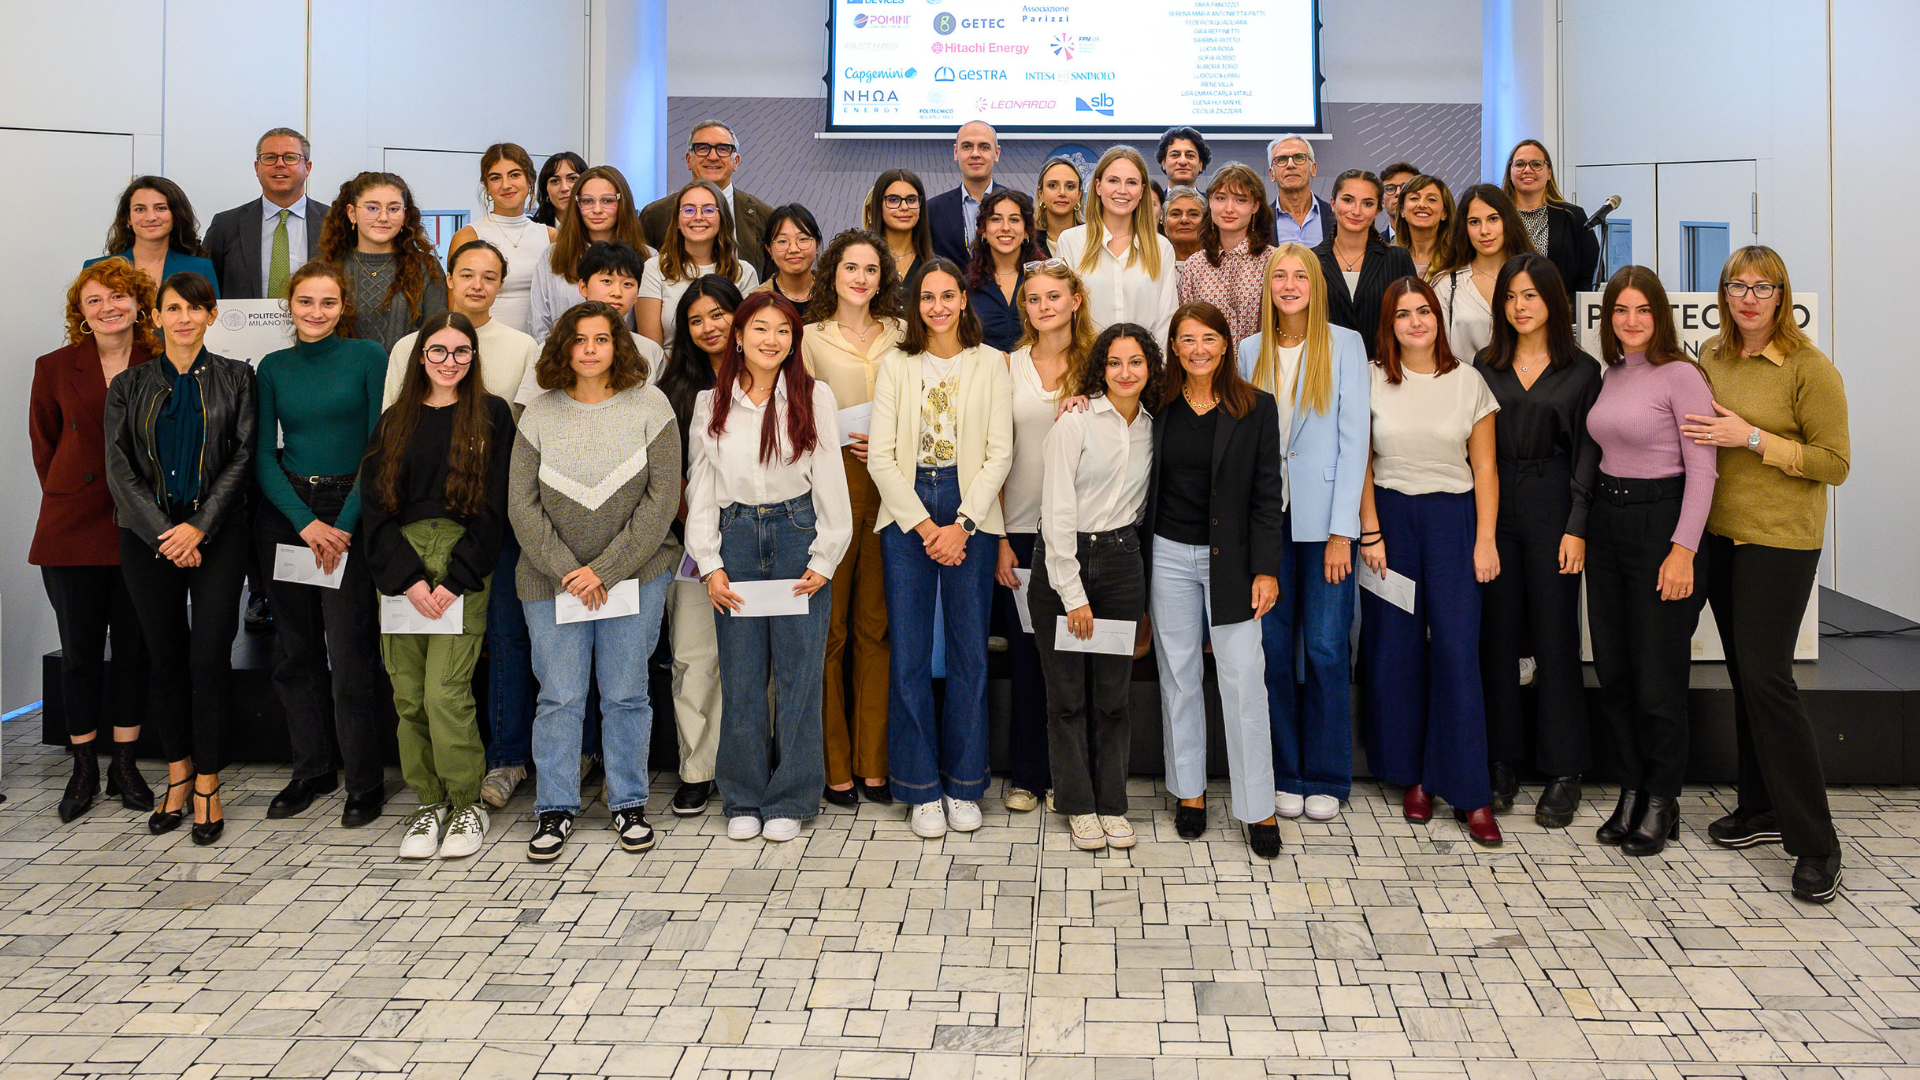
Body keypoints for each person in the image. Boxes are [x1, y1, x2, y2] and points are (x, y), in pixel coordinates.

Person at [1684, 246, 1849, 902]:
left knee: (1769, 679)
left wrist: (1751, 439)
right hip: (1720, 536)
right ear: (1723, 294)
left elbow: (1834, 462)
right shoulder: (1712, 357)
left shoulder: (1809, 369)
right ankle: (1760, 808)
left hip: (1779, 541)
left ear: (1782, 295)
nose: (1748, 298)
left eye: (1763, 286)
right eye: (1737, 286)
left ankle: (1817, 843)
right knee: (1746, 677)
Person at [511, 301, 681, 861]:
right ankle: (554, 808)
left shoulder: (651, 406)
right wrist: (569, 571)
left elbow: (662, 502)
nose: (589, 349)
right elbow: (522, 506)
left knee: (627, 694)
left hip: (636, 576)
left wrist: (604, 571)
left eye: (601, 339)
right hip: (550, 581)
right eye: (578, 339)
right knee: (560, 697)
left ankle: (628, 801)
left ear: (619, 346)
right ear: (562, 348)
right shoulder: (538, 413)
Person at [688, 292, 852, 842]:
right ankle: (742, 796)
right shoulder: (710, 402)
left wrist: (826, 557)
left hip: (795, 534)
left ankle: (792, 796)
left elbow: (831, 479)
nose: (771, 339)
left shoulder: (814, 396)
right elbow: (703, 490)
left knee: (800, 674)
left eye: (784, 330)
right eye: (760, 328)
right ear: (738, 335)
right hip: (735, 539)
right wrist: (709, 564)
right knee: (740, 675)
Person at [103, 271, 255, 844]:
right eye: (173, 308)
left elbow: (242, 459)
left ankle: (209, 783)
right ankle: (177, 775)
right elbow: (118, 467)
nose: (185, 318)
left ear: (212, 315)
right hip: (148, 541)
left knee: (209, 658)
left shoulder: (240, 378)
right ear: (156, 317)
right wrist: (167, 532)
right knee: (163, 659)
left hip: (217, 538)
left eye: (196, 308)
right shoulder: (129, 384)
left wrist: (198, 527)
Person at [867, 258, 1013, 837]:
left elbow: (999, 453)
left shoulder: (990, 364)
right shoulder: (896, 365)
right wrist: (928, 529)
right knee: (907, 653)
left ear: (963, 300)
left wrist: (964, 524)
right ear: (914, 305)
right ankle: (920, 786)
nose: (937, 307)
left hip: (969, 503)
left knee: (968, 651)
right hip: (907, 508)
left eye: (947, 296)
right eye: (926, 297)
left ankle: (964, 783)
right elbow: (880, 456)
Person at [360, 312, 513, 859]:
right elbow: (375, 509)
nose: (450, 362)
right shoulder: (393, 420)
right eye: (438, 351)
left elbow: (496, 508)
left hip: (460, 562)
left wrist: (455, 581)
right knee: (407, 695)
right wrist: (406, 581)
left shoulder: (492, 416)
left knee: (444, 692)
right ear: (420, 356)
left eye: (461, 352)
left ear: (473, 358)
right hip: (401, 566)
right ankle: (429, 803)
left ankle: (466, 802)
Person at [1357, 276, 1502, 846]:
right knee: (1394, 653)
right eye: (1403, 314)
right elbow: (1361, 463)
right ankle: (1413, 776)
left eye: (1424, 312)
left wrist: (1484, 539)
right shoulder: (1370, 379)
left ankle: (1470, 791)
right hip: (1390, 522)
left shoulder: (1468, 381)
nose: (1415, 322)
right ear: (1388, 324)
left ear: (1438, 320)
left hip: (1453, 522)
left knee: (1458, 652)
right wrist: (1370, 531)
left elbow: (1486, 469)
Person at [1582, 266, 1716, 858]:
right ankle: (1632, 789)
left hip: (1662, 528)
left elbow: (1704, 471)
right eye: (1619, 311)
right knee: (1615, 671)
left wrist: (1683, 549)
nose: (1630, 322)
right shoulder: (1612, 374)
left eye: (1641, 310)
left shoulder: (1682, 376)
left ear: (1660, 316)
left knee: (1658, 678)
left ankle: (1663, 799)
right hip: (1608, 526)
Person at [255, 260, 393, 828]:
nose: (315, 313)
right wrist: (305, 523)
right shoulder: (272, 367)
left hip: (349, 511)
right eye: (305, 302)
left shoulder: (367, 358)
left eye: (327, 303)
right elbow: (263, 455)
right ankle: (311, 768)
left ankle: (363, 780)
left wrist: (342, 522)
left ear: (343, 308)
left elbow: (378, 445)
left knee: (350, 652)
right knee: (295, 650)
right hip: (289, 514)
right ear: (290, 305)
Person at [1146, 301, 1285, 855]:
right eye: (1187, 340)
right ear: (1174, 348)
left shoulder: (1256, 408)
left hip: (1233, 562)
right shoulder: (1156, 405)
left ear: (1227, 344)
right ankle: (1189, 792)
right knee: (1178, 677)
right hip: (1166, 556)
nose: (1198, 349)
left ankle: (1259, 808)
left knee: (1244, 680)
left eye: (1209, 338)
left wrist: (1266, 569)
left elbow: (1266, 497)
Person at [1238, 244, 1369, 823]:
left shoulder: (1345, 345)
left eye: (1300, 276)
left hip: (1326, 527)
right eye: (1279, 276)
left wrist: (1344, 531)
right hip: (1267, 524)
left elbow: (1355, 441)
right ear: (1266, 287)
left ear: (1316, 284)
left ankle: (1327, 775)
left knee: (1323, 646)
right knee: (1270, 648)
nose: (1289, 285)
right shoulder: (1247, 351)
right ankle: (1284, 772)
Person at [1476, 255, 1601, 827]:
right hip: (1498, 502)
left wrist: (1577, 525)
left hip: (1555, 502)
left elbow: (1588, 456)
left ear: (1554, 300)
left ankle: (1564, 770)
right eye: (1510, 297)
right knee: (1498, 639)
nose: (1520, 306)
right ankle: (1501, 762)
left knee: (1554, 640)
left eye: (1530, 295)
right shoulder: (1485, 364)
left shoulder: (1582, 370)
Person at [1028, 323, 1159, 850]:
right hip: (1065, 559)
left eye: (1136, 362)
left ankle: (1112, 805)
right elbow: (1055, 510)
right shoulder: (1075, 422)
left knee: (1113, 696)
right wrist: (1073, 592)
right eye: (1114, 363)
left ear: (1150, 368)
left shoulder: (1155, 426)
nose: (1125, 373)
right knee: (1065, 696)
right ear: (1099, 369)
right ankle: (1078, 804)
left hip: (1124, 563)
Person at [35, 260, 156, 822]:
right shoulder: (54, 367)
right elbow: (46, 446)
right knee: (79, 654)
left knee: (132, 652)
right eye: (94, 301)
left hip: (140, 528)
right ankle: (83, 764)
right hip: (71, 529)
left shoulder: (160, 362)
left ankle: (125, 763)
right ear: (80, 314)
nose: (108, 307)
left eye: (118, 297)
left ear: (138, 303)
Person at [801, 230, 906, 806]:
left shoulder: (904, 334)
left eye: (871, 269)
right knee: (831, 630)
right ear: (831, 274)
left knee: (876, 627)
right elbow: (797, 409)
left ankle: (873, 761)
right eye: (850, 268)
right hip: (832, 486)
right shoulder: (809, 338)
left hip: (891, 489)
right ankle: (834, 764)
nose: (861, 278)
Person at [996, 260, 1098, 812]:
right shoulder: (1006, 367)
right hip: (1018, 528)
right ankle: (1029, 775)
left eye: (1054, 296)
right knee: (1030, 655)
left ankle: (1072, 775)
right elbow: (990, 455)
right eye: (1033, 299)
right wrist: (1000, 539)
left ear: (1076, 300)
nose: (1044, 307)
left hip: (1086, 534)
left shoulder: (1101, 364)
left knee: (1074, 657)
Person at [655, 275, 745, 815]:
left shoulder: (773, 380)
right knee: (693, 658)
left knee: (761, 663)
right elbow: (669, 479)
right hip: (692, 545)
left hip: (766, 542)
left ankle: (753, 761)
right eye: (696, 319)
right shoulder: (671, 393)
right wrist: (702, 532)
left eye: (718, 314)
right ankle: (697, 769)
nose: (709, 326)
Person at [384, 240, 540, 411]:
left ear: (500, 285)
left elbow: (529, 425)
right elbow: (392, 422)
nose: (477, 286)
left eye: (489, 278)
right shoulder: (410, 346)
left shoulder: (524, 347)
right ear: (450, 280)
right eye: (467, 275)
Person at [518, 241, 667, 405]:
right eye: (607, 281)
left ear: (637, 292)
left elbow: (659, 411)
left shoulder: (651, 351)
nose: (617, 293)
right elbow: (528, 411)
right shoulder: (552, 347)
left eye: (627, 284)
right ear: (583, 287)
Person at [1055, 147, 1179, 336]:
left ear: (1141, 191)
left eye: (1131, 182)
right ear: (1098, 186)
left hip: (1146, 363)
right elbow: (1064, 315)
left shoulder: (1161, 248)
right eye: (1113, 181)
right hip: (1086, 363)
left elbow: (1166, 319)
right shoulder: (1071, 242)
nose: (1122, 190)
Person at [316, 172, 447, 351]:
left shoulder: (426, 267)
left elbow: (438, 337)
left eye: (393, 209)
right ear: (352, 213)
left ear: (405, 215)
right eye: (372, 208)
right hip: (343, 376)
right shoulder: (331, 268)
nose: (383, 217)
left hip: (409, 376)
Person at [205, 127, 330, 299]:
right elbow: (205, 288)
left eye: (290, 157)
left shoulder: (333, 222)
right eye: (270, 158)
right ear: (257, 168)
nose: (280, 164)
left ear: (307, 168)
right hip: (245, 326)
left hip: (318, 323)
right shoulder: (226, 226)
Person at [530, 165, 650, 340]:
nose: (597, 210)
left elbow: (647, 331)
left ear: (622, 203)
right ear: (576, 205)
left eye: (607, 201)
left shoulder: (648, 257)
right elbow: (538, 326)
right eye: (587, 201)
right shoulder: (553, 255)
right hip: (560, 360)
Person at [447, 143, 556, 336]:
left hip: (540, 349)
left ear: (530, 180)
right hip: (482, 345)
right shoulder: (469, 236)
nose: (506, 185)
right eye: (495, 178)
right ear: (487, 186)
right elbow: (455, 308)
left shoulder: (551, 237)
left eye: (514, 175)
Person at [636, 179, 760, 346]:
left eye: (708, 210)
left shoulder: (744, 272)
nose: (698, 217)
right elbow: (651, 350)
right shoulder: (654, 268)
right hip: (668, 369)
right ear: (678, 220)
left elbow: (747, 340)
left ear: (723, 219)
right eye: (689, 210)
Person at [1314, 170, 1417, 358]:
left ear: (1378, 209)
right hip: (1324, 373)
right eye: (1348, 200)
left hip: (1386, 372)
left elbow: (1412, 318)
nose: (1356, 211)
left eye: (1367, 203)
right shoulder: (1310, 260)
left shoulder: (1397, 258)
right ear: (1332, 204)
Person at [1431, 184, 1535, 363]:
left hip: (1527, 386)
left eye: (1493, 219)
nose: (1484, 231)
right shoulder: (1446, 285)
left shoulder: (1535, 277)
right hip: (1464, 386)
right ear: (1464, 228)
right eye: (1474, 222)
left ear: (1508, 221)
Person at [640, 120, 771, 257]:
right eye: (702, 148)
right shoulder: (655, 215)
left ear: (736, 162)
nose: (713, 157)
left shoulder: (764, 215)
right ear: (688, 160)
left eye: (723, 149)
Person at [1179, 163, 1276, 343]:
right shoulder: (1195, 265)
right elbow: (1185, 328)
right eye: (1221, 198)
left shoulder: (1273, 260)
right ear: (1210, 201)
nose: (1229, 208)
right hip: (1208, 366)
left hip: (1261, 366)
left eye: (1240, 200)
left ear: (1255, 206)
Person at [87, 177, 219, 296]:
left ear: (176, 215)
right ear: (128, 218)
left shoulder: (201, 268)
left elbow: (211, 321)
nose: (150, 217)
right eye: (140, 209)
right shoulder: (95, 269)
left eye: (161, 208)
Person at [1503, 140, 1600, 294]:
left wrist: (1572, 310)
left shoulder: (1573, 217)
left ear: (1549, 173)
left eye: (1536, 164)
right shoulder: (1496, 217)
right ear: (1509, 173)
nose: (1527, 170)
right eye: (1520, 164)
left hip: (1561, 312)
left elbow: (1588, 271)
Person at [964, 189, 1045, 353]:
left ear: (1027, 231)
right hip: (983, 375)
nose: (1005, 227)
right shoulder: (967, 286)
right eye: (996, 219)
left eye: (1014, 220)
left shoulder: (1044, 280)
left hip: (1036, 375)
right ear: (983, 231)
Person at [928, 120, 1006, 267]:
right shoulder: (933, 210)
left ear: (996, 153)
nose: (975, 154)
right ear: (956, 152)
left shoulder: (1019, 205)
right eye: (967, 146)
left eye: (984, 147)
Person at [864, 169, 934, 306]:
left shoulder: (934, 266)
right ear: (876, 208)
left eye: (911, 200)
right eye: (894, 200)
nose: (904, 207)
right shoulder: (860, 263)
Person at [1267, 136, 1333, 247]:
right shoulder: (1259, 223)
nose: (1291, 165)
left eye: (1299, 158)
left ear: (1313, 169)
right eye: (1282, 159)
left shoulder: (1336, 218)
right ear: (1272, 174)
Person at [753, 203, 822, 304]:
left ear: (817, 245)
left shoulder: (837, 293)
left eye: (803, 239)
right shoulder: (757, 301)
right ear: (769, 250)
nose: (793, 249)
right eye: (782, 241)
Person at [1394, 175, 1453, 279]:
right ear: (1402, 210)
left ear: (1444, 212)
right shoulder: (1388, 259)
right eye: (1414, 198)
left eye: (1431, 199)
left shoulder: (1456, 261)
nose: (1422, 205)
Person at [1033, 157, 1084, 255]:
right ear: (1041, 194)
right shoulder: (1027, 241)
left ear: (1079, 195)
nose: (1062, 193)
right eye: (1053, 185)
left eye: (1070, 186)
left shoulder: (1093, 238)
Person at [531, 151, 586, 227]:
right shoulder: (534, 230)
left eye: (572, 179)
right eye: (555, 181)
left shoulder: (598, 229)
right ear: (546, 192)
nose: (564, 188)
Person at [1162, 188, 1207, 265]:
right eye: (1175, 214)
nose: (1184, 220)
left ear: (1206, 223)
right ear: (1165, 226)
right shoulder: (1152, 265)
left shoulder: (1221, 265)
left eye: (1193, 214)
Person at [1378, 161, 1421, 240]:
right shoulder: (1371, 246)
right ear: (1382, 201)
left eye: (1405, 187)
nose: (1398, 193)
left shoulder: (1443, 245)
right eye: (1390, 188)